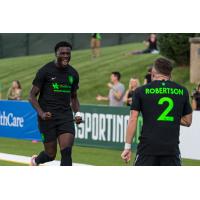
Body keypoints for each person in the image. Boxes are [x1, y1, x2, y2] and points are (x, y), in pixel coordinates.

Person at [121, 58, 192, 166]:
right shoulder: (182, 91)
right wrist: (171, 116)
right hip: (171, 150)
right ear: (170, 73)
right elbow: (188, 121)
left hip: (147, 149)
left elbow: (133, 119)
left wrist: (127, 147)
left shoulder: (141, 91)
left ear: (154, 72)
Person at [29, 41, 82, 166]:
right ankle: (35, 161)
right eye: (62, 53)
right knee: (50, 155)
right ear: (56, 54)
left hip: (65, 117)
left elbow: (74, 97)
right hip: (47, 118)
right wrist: (41, 114)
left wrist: (77, 113)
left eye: (68, 53)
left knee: (67, 152)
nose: (65, 56)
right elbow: (31, 96)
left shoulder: (73, 74)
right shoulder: (45, 71)